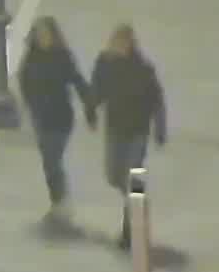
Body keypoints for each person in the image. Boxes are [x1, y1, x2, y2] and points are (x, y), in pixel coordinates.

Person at [90, 25, 169, 249]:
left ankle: (130, 231)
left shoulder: (143, 69)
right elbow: (97, 88)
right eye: (116, 42)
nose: (119, 47)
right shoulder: (105, 64)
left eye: (123, 43)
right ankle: (133, 202)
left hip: (137, 132)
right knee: (114, 175)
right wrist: (91, 110)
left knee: (133, 178)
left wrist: (159, 130)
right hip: (115, 130)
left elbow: (157, 101)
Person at [18, 16, 89, 212]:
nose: (43, 39)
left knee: (52, 160)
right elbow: (24, 82)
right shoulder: (31, 57)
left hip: (61, 117)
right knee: (49, 162)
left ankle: (60, 200)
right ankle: (58, 200)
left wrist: (90, 104)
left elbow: (77, 80)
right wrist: (30, 106)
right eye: (39, 35)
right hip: (41, 119)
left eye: (46, 35)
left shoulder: (62, 56)